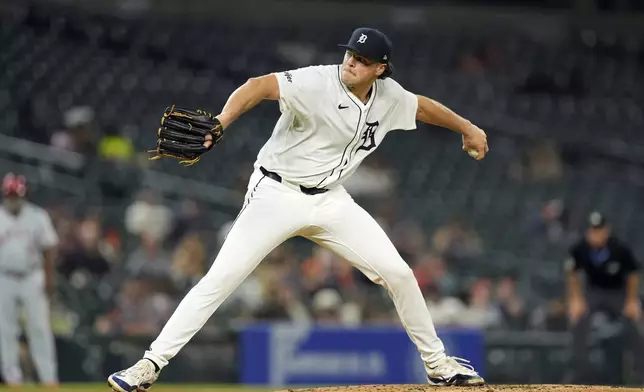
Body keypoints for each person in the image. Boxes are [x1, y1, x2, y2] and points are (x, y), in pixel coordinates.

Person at [108, 27, 489, 392]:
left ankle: (438, 365)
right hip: (277, 193)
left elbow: (423, 107)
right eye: (350, 54)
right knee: (221, 279)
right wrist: (223, 121)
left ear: (380, 69)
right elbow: (258, 86)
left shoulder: (388, 96)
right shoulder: (316, 82)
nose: (351, 62)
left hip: (330, 199)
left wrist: (468, 128)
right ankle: (149, 364)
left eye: (362, 59)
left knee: (399, 274)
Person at [565, 211, 644, 384]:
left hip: (617, 293)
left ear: (607, 230)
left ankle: (641, 372)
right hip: (594, 292)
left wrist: (631, 301)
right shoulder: (581, 248)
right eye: (593, 230)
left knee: (633, 323)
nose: (596, 234)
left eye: (599, 230)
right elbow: (572, 273)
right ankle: (580, 371)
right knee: (579, 321)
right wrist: (576, 299)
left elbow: (632, 275)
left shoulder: (619, 248)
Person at [0, 173, 59, 387]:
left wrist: (49, 280)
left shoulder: (37, 216)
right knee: (5, 330)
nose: (13, 198)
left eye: (16, 194)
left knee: (39, 327)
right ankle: (12, 379)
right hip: (4, 277)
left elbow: (50, 248)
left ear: (23, 195)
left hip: (32, 276)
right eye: (9, 194)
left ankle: (49, 379)